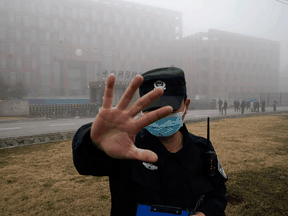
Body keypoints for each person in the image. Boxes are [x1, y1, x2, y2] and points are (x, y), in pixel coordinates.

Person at [72, 67, 228, 216]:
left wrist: (205, 213)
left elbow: (217, 194)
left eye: (169, 108)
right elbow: (86, 164)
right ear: (142, 109)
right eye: (152, 109)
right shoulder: (127, 148)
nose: (160, 115)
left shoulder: (202, 150)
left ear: (186, 106)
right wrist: (94, 143)